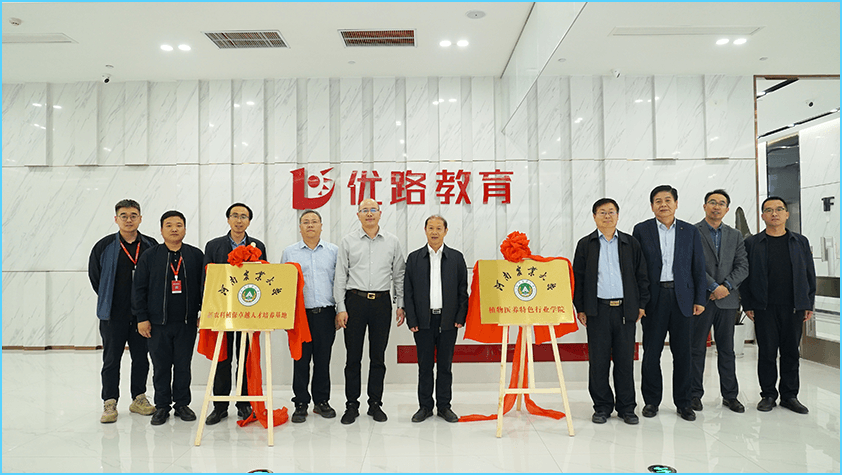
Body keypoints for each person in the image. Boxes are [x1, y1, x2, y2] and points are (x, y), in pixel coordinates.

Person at [633, 185, 706, 422]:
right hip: (653, 299)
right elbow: (637, 269)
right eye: (658, 201)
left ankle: (684, 403)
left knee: (683, 353)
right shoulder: (641, 230)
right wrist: (640, 302)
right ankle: (651, 401)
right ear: (651, 206)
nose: (663, 204)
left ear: (676, 203)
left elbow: (698, 266)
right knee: (651, 353)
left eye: (667, 200)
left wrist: (700, 299)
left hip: (682, 298)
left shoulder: (689, 231)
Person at [573, 198, 649, 425]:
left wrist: (641, 305)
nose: (607, 216)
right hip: (597, 311)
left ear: (618, 215)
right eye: (602, 212)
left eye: (611, 212)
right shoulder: (586, 244)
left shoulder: (630, 243)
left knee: (625, 361)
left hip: (625, 311)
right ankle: (602, 407)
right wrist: (581, 308)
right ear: (594, 216)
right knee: (599, 362)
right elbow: (578, 279)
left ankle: (627, 407)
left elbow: (642, 276)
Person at [334, 198, 406, 424]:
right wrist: (341, 307)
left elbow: (399, 275)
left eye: (373, 209)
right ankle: (351, 405)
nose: (369, 213)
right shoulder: (348, 241)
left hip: (381, 303)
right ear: (358, 215)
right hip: (354, 302)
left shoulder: (392, 241)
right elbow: (340, 276)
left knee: (378, 357)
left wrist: (400, 304)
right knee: (352, 358)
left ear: (380, 213)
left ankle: (375, 404)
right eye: (364, 210)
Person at [742, 197, 816, 414]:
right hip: (764, 307)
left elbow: (809, 273)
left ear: (787, 214)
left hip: (793, 306)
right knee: (766, 353)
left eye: (779, 209)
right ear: (763, 215)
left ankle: (789, 396)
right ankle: (768, 395)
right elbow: (745, 277)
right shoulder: (752, 243)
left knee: (791, 352)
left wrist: (808, 302)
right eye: (769, 210)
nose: (774, 213)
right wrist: (748, 303)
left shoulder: (799, 241)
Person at [88, 199, 158, 423]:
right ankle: (109, 402)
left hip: (142, 316)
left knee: (141, 358)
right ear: (116, 219)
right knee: (111, 360)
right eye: (124, 216)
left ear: (140, 218)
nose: (129, 220)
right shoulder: (104, 246)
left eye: (133, 215)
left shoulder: (150, 245)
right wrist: (110, 298)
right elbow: (95, 277)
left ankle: (138, 398)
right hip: (113, 315)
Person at [133, 210, 204, 426]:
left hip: (186, 322)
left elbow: (205, 288)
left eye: (179, 225)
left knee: (183, 365)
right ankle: (162, 406)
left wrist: (203, 313)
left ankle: (182, 404)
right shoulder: (150, 256)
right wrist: (142, 318)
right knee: (161, 366)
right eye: (169, 225)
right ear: (161, 230)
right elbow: (139, 289)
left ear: (185, 229)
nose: (174, 229)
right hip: (157, 323)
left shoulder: (195, 255)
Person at [202, 203, 267, 426]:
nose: (239, 220)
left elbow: (263, 278)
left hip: (248, 312)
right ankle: (219, 407)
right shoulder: (214, 246)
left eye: (244, 217)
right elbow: (207, 280)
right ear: (228, 219)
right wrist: (206, 309)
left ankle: (244, 403)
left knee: (245, 359)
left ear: (249, 221)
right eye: (235, 216)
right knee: (223, 359)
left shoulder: (258, 245)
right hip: (222, 312)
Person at [404, 215, 469, 423]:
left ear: (445, 231)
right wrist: (412, 319)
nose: (434, 232)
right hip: (423, 321)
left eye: (438, 228)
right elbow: (408, 292)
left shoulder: (456, 258)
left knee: (445, 366)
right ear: (425, 230)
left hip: (448, 320)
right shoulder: (414, 258)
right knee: (424, 367)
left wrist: (460, 316)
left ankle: (444, 406)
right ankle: (424, 407)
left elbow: (462, 290)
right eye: (430, 228)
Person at [690, 190, 749, 413]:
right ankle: (694, 395)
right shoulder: (692, 232)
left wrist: (726, 287)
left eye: (721, 203)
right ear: (704, 206)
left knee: (727, 350)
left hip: (727, 301)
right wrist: (713, 286)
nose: (716, 206)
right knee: (696, 349)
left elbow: (743, 266)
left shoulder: (735, 235)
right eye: (712, 202)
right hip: (701, 300)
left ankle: (730, 396)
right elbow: (691, 264)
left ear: (727, 209)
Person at [281, 209, 339, 423]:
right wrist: (286, 315)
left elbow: (339, 282)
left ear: (321, 226)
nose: (310, 225)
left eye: (314, 221)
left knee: (323, 360)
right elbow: (283, 285)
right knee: (301, 360)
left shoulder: (333, 251)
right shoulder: (290, 252)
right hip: (300, 316)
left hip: (326, 313)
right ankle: (301, 403)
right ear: (300, 227)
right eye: (306, 222)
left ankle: (321, 401)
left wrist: (340, 310)